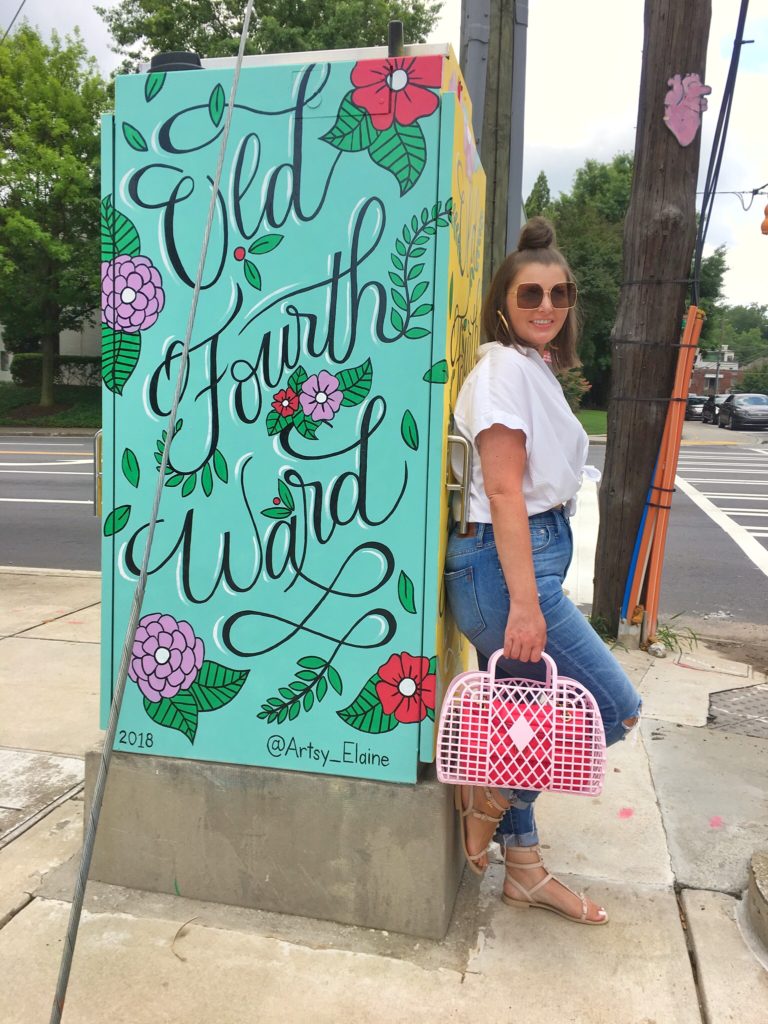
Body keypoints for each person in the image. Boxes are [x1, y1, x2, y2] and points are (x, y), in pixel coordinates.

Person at [444, 216, 641, 926]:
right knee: (608, 710)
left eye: (559, 294)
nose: (546, 307)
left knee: (525, 717)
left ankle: (522, 869)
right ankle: (489, 798)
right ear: (505, 301)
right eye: (531, 294)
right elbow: (502, 491)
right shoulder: (501, 369)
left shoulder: (533, 369)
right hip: (505, 569)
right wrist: (525, 605)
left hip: (521, 562)